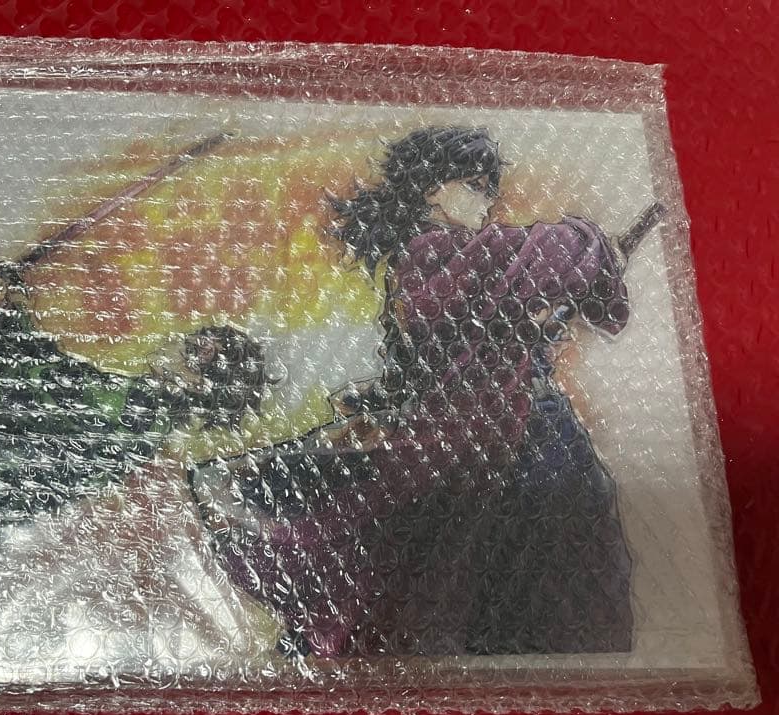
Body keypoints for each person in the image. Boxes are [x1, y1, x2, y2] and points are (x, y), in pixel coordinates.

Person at [191, 126, 635, 658]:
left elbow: (433, 360)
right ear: (430, 187)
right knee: (534, 571)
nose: (485, 203)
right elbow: (555, 251)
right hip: (507, 435)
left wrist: (382, 398)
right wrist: (592, 240)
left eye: (489, 190)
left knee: (505, 570)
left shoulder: (443, 260)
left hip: (511, 430)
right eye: (473, 186)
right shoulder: (437, 253)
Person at [0, 270, 273, 658]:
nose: (179, 342)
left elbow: (42, 386)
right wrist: (2, 311)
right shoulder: (142, 416)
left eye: (197, 350)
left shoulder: (136, 414)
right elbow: (45, 381)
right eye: (195, 339)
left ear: (199, 382)